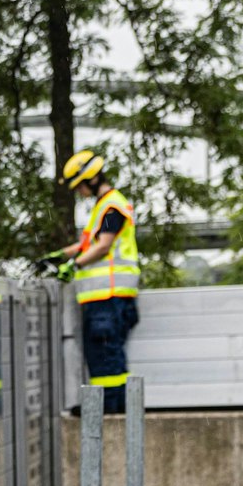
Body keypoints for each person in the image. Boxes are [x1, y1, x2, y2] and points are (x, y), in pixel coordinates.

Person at [51, 149, 141, 414]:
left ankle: (109, 408)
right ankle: (112, 404)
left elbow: (102, 247)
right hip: (107, 296)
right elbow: (87, 244)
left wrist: (74, 265)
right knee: (105, 352)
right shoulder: (105, 206)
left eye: (79, 185)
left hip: (109, 295)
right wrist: (61, 255)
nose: (79, 191)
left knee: (104, 353)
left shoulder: (112, 206)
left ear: (90, 179)